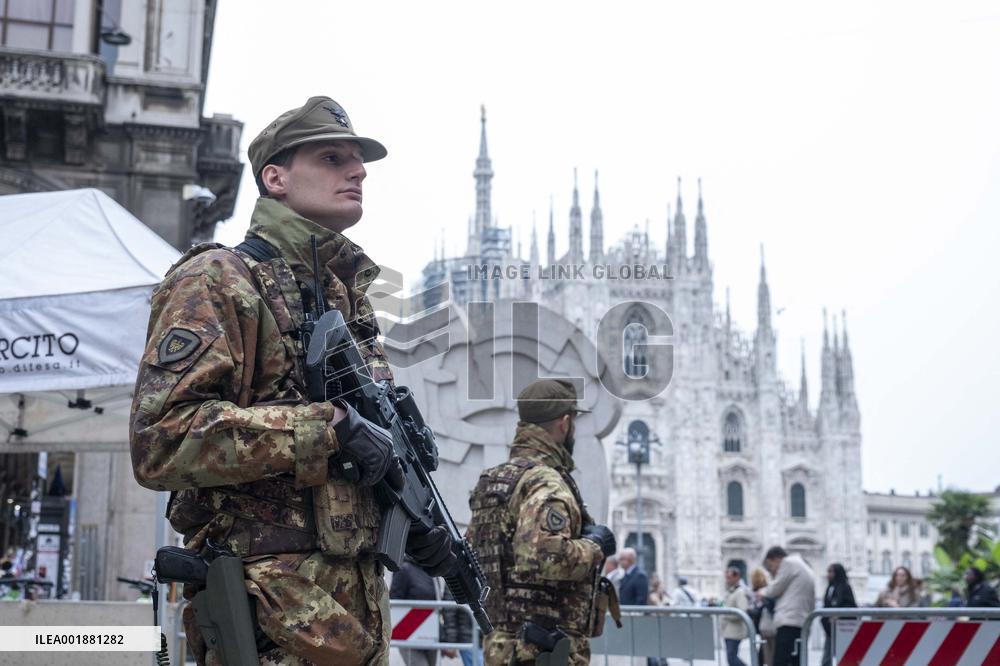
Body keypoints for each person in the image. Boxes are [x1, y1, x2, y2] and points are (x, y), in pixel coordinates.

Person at [129, 96, 454, 665]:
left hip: (351, 624)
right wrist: (324, 429)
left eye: (358, 164)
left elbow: (367, 447)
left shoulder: (347, 298)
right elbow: (161, 440)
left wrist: (408, 513)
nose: (356, 173)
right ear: (274, 178)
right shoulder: (219, 279)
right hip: (269, 620)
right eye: (332, 158)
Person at [466, 379, 615, 666]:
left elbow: (474, 553)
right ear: (565, 423)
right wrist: (594, 546)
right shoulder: (545, 482)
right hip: (543, 649)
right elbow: (547, 557)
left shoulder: (493, 480)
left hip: (501, 644)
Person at [757, 547, 814, 666]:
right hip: (800, 621)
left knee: (780, 662)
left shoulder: (788, 563)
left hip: (789, 621)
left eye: (771, 567)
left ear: (776, 559)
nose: (773, 573)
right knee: (795, 661)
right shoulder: (802, 565)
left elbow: (775, 588)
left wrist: (761, 592)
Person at [391, 558, 441, 666]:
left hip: (431, 634)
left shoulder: (431, 570)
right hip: (409, 634)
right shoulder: (404, 569)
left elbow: (439, 602)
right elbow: (394, 601)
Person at [820, 564, 856, 666]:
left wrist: (839, 615)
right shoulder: (830, 587)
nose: (829, 574)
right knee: (827, 656)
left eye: (831, 572)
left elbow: (850, 605)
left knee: (844, 655)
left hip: (843, 627)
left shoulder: (845, 587)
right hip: (830, 627)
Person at [441, 585, 482, 666]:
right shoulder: (453, 576)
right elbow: (449, 612)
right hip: (468, 638)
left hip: (483, 636)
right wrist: (451, 643)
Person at [721, 566, 749, 666]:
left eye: (729, 577)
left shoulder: (740, 592)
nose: (727, 580)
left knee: (731, 657)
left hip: (735, 631)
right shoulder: (729, 591)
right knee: (730, 658)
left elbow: (742, 611)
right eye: (726, 577)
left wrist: (726, 614)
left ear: (736, 577)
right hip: (727, 631)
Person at [748, 568, 775, 666]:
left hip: (767, 626)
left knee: (767, 653)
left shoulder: (764, 592)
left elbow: (763, 608)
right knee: (764, 652)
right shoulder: (764, 591)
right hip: (764, 626)